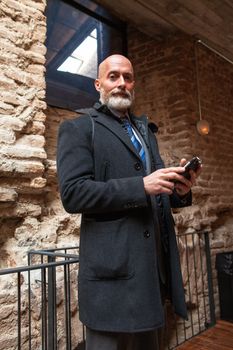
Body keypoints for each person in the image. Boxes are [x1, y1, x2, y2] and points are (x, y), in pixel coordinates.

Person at [57, 54, 201, 350]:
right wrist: (140, 185)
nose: (122, 83)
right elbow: (73, 194)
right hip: (112, 282)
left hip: (151, 276)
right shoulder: (79, 129)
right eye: (113, 77)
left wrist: (181, 191)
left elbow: (156, 194)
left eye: (128, 77)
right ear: (99, 84)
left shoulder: (146, 132)